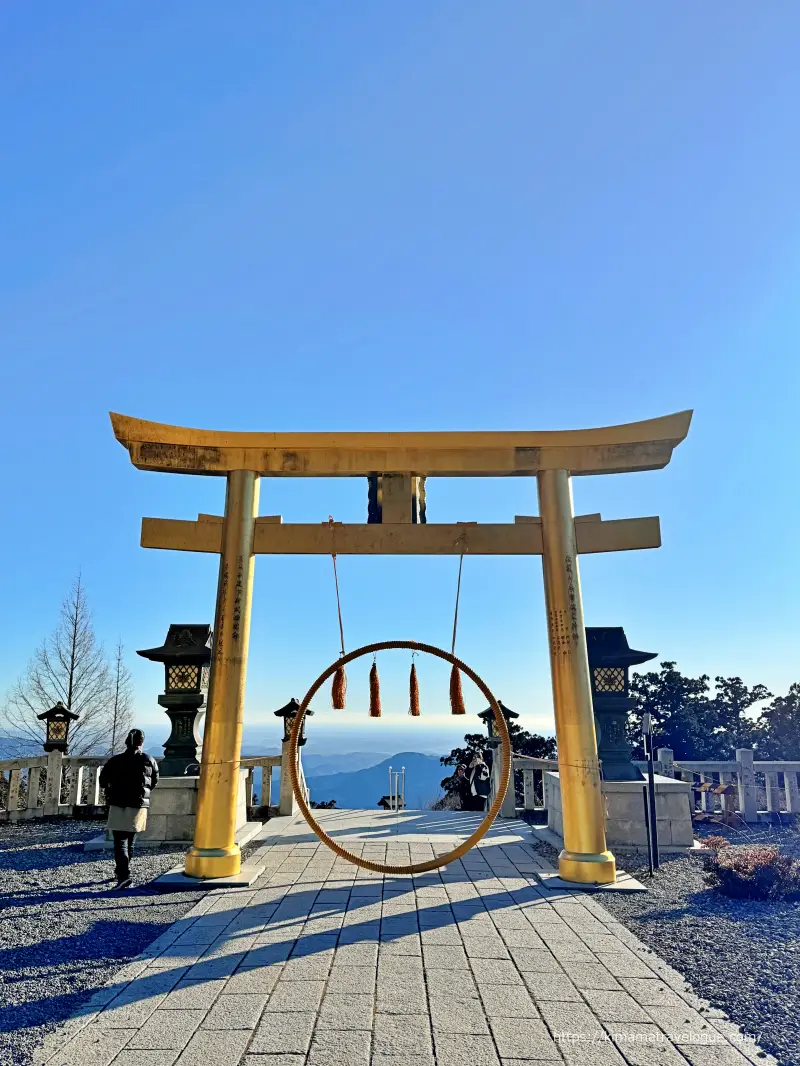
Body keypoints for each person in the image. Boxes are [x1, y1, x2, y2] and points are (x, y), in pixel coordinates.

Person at [99, 729, 159, 888]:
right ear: (141, 743)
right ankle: (122, 871)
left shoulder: (115, 760)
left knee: (120, 842)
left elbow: (103, 780)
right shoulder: (149, 760)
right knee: (130, 841)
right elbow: (154, 781)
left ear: (127, 742)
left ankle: (123, 875)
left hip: (119, 804)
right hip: (139, 805)